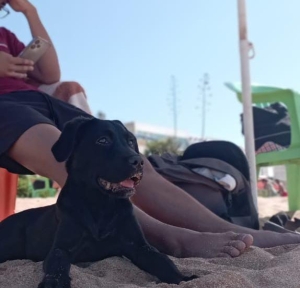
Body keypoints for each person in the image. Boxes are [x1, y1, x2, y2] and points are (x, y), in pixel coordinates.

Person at [0, 0, 299, 261]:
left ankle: (227, 228)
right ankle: (171, 239)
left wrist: (30, 11)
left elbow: (51, 74)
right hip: (6, 108)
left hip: (35, 99)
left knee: (128, 161)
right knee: (74, 161)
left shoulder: (6, 37)